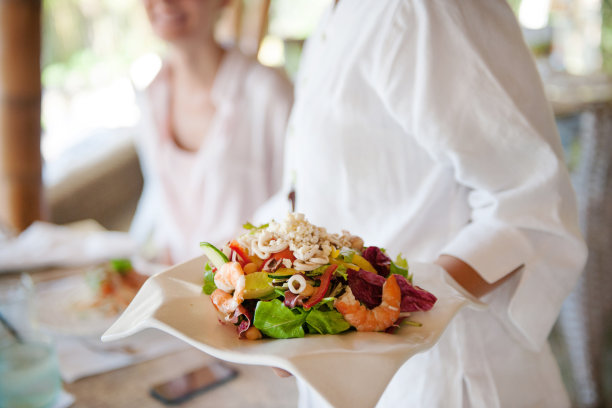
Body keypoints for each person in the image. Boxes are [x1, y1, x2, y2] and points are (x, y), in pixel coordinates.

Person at [260, 0, 587, 407]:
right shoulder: (335, 15)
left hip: (445, 376)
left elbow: (528, 203)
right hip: (348, 365)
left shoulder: (426, 10)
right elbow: (320, 188)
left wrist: (395, 313)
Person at [130, 0, 293, 264]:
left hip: (252, 295)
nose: (163, 3)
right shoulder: (150, 98)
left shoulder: (270, 95)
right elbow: (160, 204)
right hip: (174, 290)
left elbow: (296, 208)